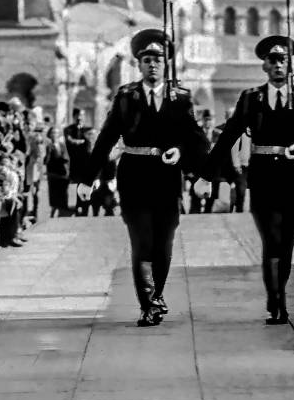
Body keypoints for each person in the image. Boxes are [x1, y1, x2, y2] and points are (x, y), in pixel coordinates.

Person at [78, 28, 209, 327]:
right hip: (134, 176)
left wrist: (188, 159)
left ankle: (157, 295)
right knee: (142, 242)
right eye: (147, 59)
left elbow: (196, 139)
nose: (153, 64)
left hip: (167, 178)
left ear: (166, 64)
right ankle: (148, 304)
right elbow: (106, 139)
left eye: (158, 59)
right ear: (138, 64)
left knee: (164, 244)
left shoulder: (181, 98)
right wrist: (87, 179)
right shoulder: (126, 96)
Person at [194, 35, 294, 325]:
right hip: (264, 179)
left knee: (286, 244)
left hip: (293, 180)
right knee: (272, 241)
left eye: (284, 60)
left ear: (290, 65)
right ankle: (276, 302)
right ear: (264, 66)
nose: (278, 64)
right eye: (273, 60)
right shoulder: (250, 99)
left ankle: (278, 292)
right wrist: (205, 175)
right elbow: (227, 137)